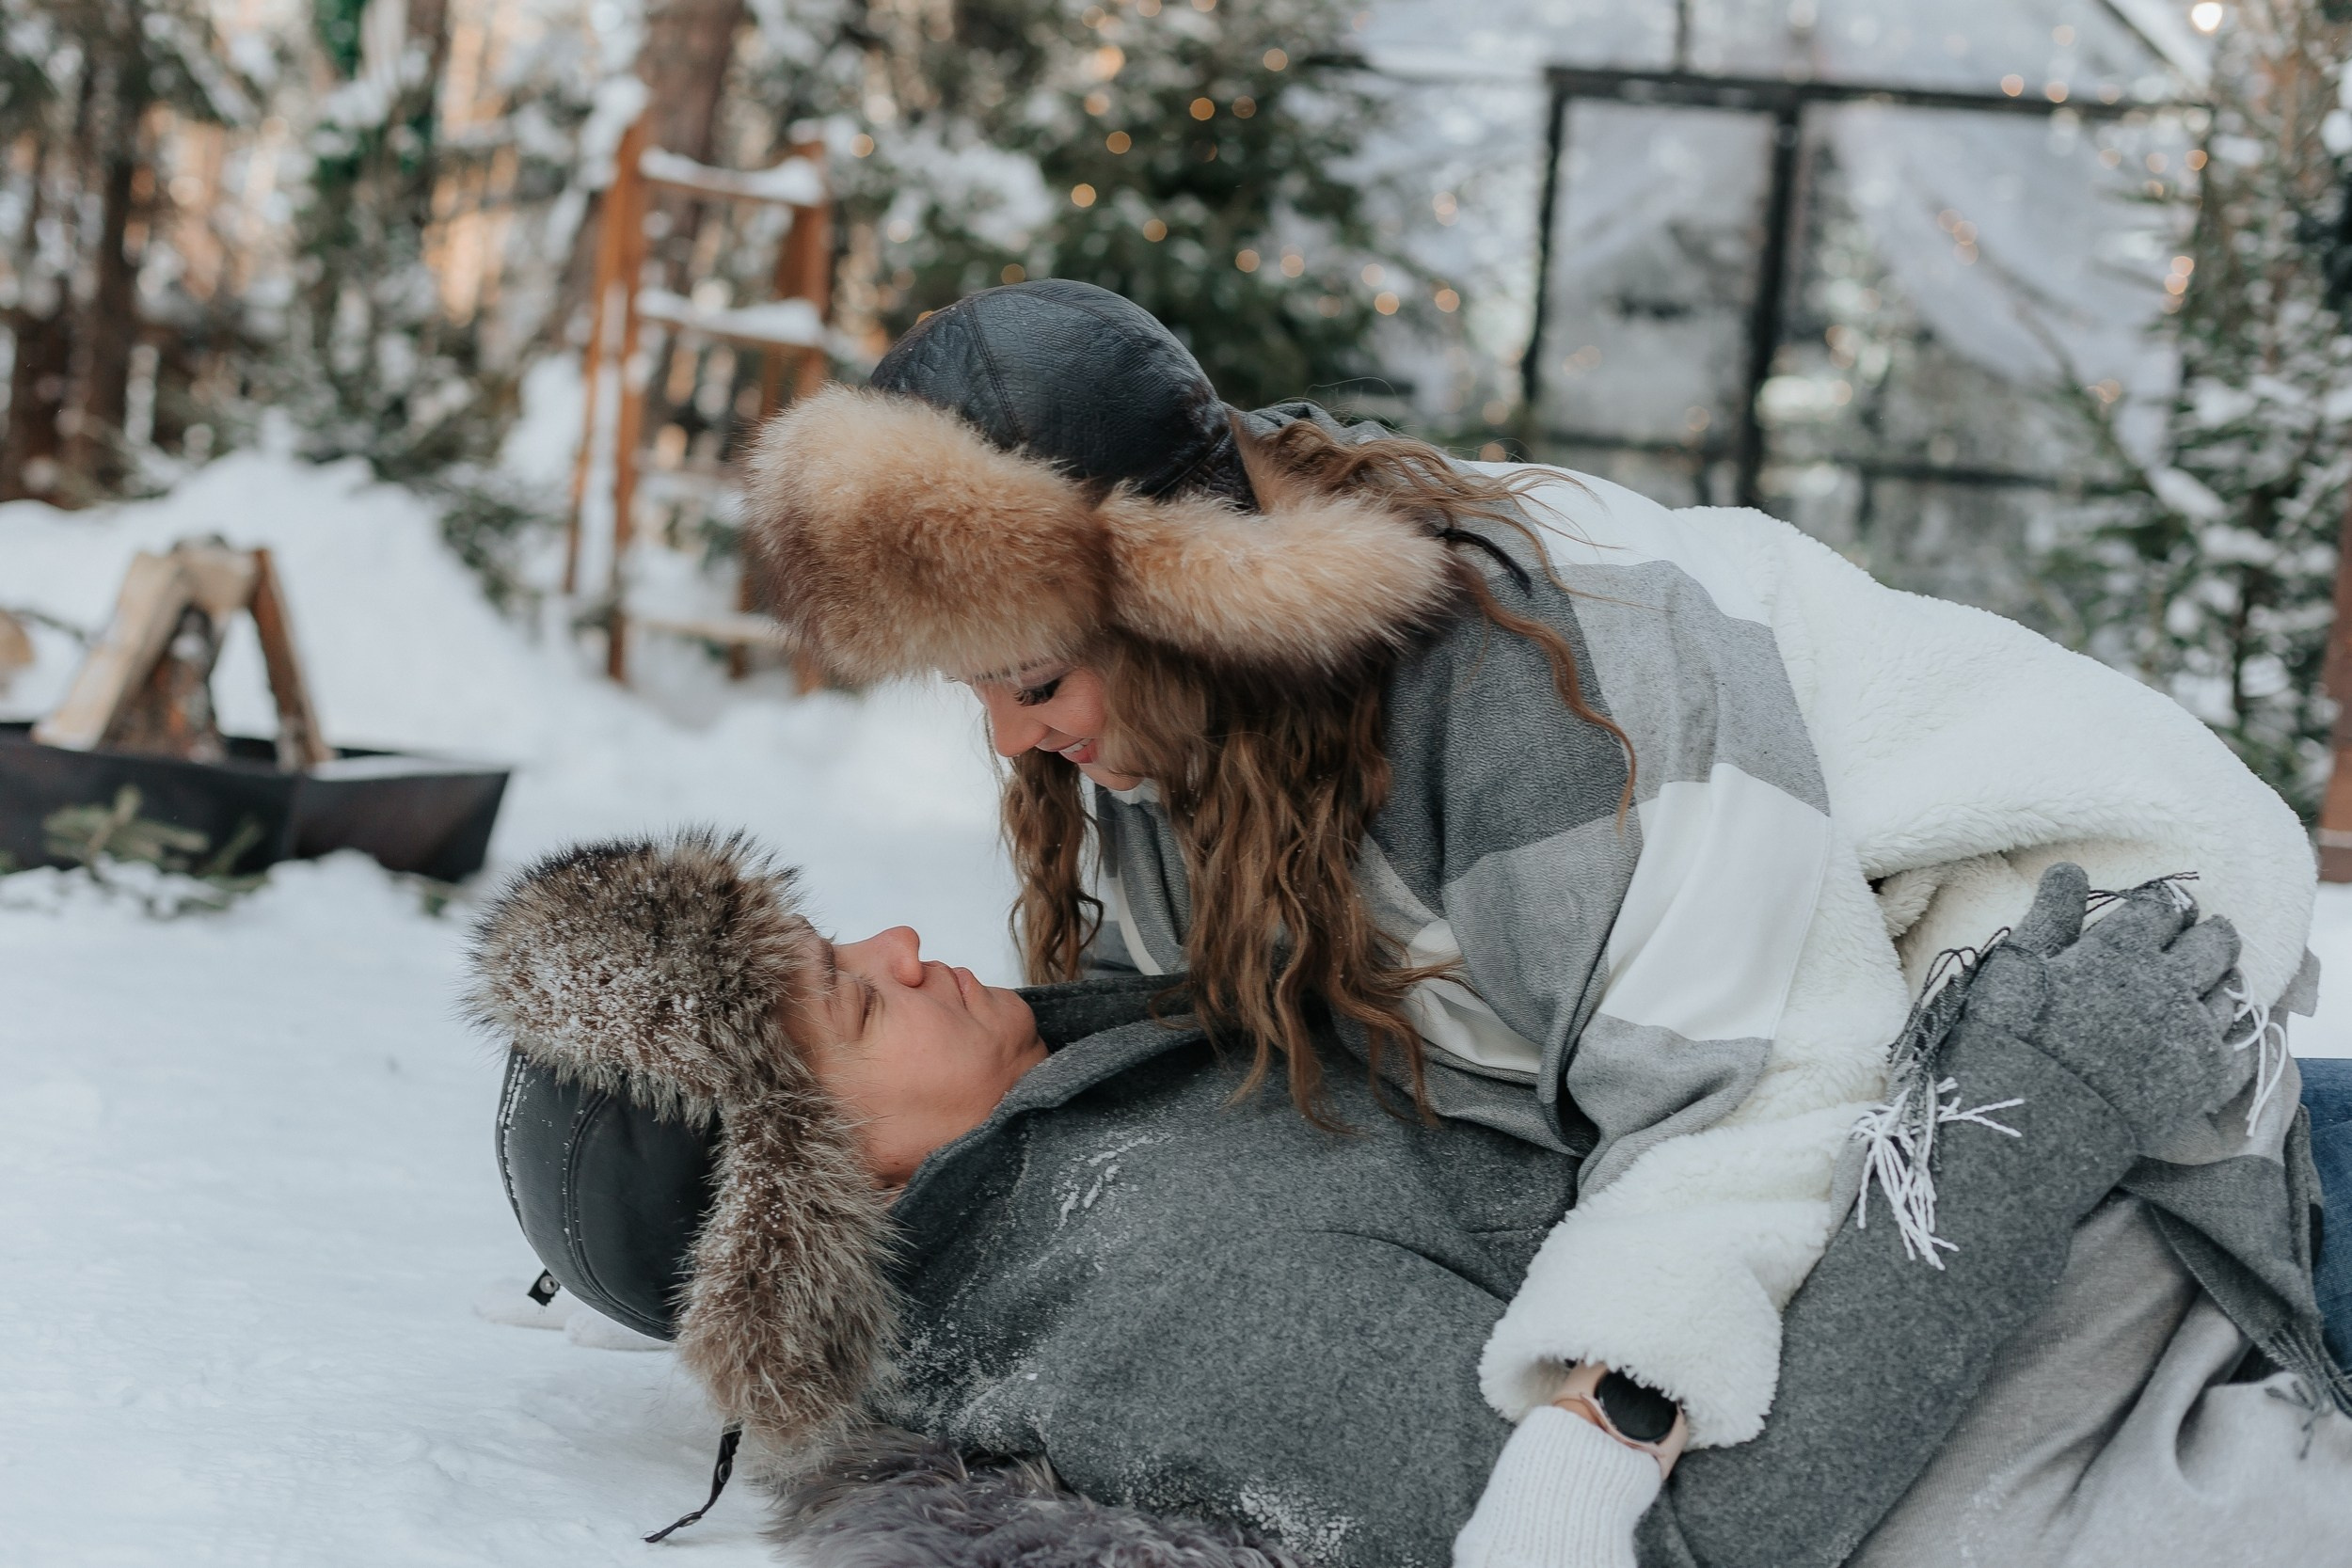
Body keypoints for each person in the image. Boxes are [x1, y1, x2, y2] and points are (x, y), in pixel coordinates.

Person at [738, 279, 2344, 1557]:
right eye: (981, 687)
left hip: (2083, 926)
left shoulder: (1527, 697)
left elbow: (1765, 1094)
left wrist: (1582, 1468)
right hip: (1805, 971)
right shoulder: (1173, 755)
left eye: (1031, 679)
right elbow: (1232, 1080)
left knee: (1969, 1486)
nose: (1013, 736)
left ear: (1183, 603)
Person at [468, 832, 2351, 1568]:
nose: (897, 937)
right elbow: (1693, 1539)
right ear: (798, 1191)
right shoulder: (1155, 1298)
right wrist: (2051, 1089)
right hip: (2160, 1347)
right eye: (847, 995)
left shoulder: (1078, 1120)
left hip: (2113, 1219)